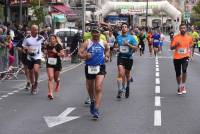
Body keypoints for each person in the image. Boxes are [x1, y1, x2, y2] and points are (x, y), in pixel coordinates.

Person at [78, 26, 110, 119]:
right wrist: (85, 55)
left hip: (100, 66)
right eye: (94, 32)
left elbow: (107, 50)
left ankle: (96, 109)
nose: (96, 34)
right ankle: (92, 100)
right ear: (91, 33)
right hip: (89, 67)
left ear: (100, 33)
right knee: (90, 87)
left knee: (98, 87)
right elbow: (79, 53)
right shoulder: (87, 42)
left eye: (97, 32)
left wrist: (107, 57)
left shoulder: (103, 42)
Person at [115, 23, 138, 99]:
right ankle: (120, 89)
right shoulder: (118, 37)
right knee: (120, 73)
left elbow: (136, 48)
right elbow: (116, 47)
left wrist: (128, 44)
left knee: (127, 75)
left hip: (129, 58)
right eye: (123, 27)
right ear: (121, 29)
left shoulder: (131, 38)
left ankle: (127, 86)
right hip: (121, 57)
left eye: (125, 27)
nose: (124, 28)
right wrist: (116, 49)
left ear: (127, 29)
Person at [170, 23, 193, 95]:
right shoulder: (176, 37)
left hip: (185, 56)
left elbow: (191, 44)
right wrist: (176, 45)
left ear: (186, 29)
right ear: (179, 29)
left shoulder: (189, 37)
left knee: (184, 69)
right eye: (181, 28)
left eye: (184, 28)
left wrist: (189, 51)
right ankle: (179, 86)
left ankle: (183, 86)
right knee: (178, 73)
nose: (183, 29)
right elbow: (171, 48)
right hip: (177, 57)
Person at [22, 25, 45, 95]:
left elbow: (45, 44)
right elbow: (23, 47)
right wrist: (26, 50)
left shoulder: (41, 37)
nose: (36, 31)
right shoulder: (27, 38)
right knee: (31, 72)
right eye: (35, 30)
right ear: (31, 30)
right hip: (30, 57)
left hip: (37, 57)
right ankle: (33, 85)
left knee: (36, 70)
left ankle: (36, 82)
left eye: (37, 30)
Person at [44, 34, 64, 100]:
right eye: (50, 39)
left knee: (55, 78)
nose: (51, 40)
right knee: (50, 77)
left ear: (55, 39)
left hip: (57, 63)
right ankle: (50, 93)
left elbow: (62, 55)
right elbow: (45, 53)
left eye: (53, 39)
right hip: (49, 63)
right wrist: (45, 54)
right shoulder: (48, 46)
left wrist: (56, 52)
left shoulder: (58, 46)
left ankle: (57, 82)